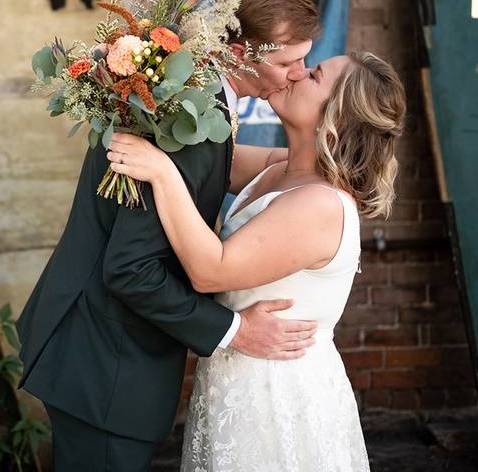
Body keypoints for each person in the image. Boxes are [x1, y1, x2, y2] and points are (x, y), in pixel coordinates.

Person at [16, 0, 321, 471]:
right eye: (287, 61)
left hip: (93, 345)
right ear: (240, 52)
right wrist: (234, 332)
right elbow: (132, 270)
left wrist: (311, 165)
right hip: (106, 362)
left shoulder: (194, 97)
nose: (297, 73)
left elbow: (223, 164)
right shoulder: (187, 119)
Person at [108, 51, 406, 471]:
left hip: (277, 392)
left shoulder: (321, 204)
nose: (299, 72)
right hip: (238, 372)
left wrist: (160, 173)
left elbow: (212, 270)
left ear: (332, 120)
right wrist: (144, 76)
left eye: (315, 75)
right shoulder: (280, 168)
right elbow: (204, 157)